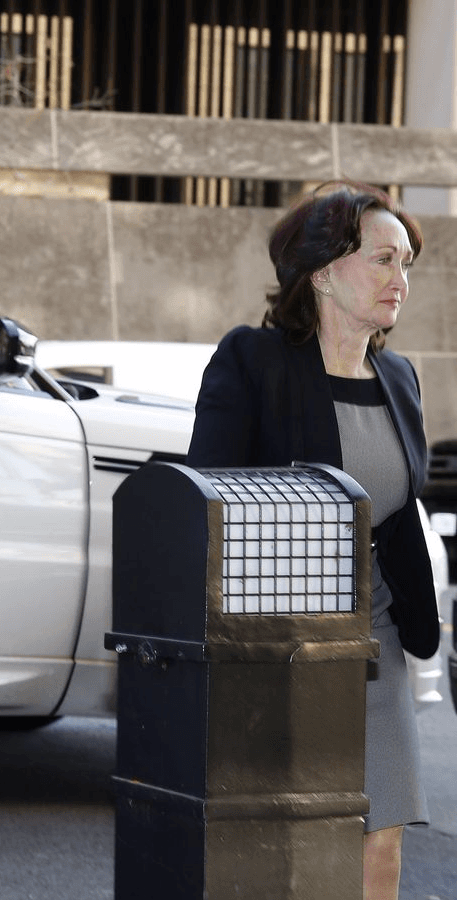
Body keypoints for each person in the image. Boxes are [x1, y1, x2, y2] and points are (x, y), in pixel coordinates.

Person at [186, 180, 439, 900]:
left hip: (377, 639)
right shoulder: (253, 362)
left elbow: (394, 516)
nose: (402, 279)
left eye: (408, 262)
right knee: (281, 858)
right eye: (385, 259)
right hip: (280, 645)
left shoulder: (400, 377)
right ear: (324, 270)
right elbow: (210, 501)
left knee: (378, 851)